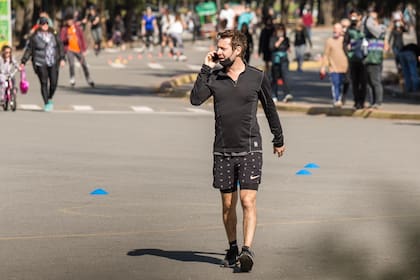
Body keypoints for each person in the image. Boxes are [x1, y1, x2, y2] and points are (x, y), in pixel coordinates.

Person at [190, 29, 285, 272]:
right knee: (227, 205)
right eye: (218, 47)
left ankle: (246, 250)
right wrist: (205, 68)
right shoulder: (214, 77)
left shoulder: (257, 77)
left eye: (223, 48)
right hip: (223, 149)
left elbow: (270, 108)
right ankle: (232, 247)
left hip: (250, 146)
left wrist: (278, 137)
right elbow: (195, 99)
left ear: (238, 50)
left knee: (247, 200)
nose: (218, 52)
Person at [20, 17, 65, 111]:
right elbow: (29, 49)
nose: (45, 26)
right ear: (39, 25)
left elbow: (60, 45)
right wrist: (23, 61)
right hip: (40, 62)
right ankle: (46, 102)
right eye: (43, 24)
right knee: (44, 82)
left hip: (53, 61)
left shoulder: (54, 33)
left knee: (54, 83)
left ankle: (49, 97)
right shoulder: (35, 36)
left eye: (46, 24)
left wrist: (62, 58)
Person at [60, 14, 95, 88]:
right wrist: (67, 38)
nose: (69, 22)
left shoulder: (77, 27)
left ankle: (88, 78)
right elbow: (61, 39)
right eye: (68, 20)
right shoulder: (64, 29)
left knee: (84, 64)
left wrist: (84, 49)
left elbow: (82, 38)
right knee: (71, 64)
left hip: (78, 49)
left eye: (71, 20)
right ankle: (72, 78)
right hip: (69, 49)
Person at [320, 23, 348, 107]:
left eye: (337, 28)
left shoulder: (345, 40)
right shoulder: (329, 41)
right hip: (334, 68)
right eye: (334, 28)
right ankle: (336, 100)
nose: (335, 30)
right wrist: (323, 67)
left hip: (345, 68)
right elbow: (326, 55)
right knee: (335, 84)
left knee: (343, 85)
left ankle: (342, 98)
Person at [344, 9, 367, 109]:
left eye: (354, 16)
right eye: (351, 16)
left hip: (364, 59)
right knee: (355, 81)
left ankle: (362, 101)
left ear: (360, 16)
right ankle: (356, 101)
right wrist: (347, 51)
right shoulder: (350, 29)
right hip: (353, 59)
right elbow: (345, 42)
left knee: (364, 81)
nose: (352, 18)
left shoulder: (365, 28)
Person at [364, 11, 388, 109]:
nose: (371, 22)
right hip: (368, 58)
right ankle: (372, 101)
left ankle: (378, 102)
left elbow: (370, 27)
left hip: (375, 59)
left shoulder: (380, 29)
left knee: (375, 81)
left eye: (373, 19)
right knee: (369, 83)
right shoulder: (368, 32)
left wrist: (369, 19)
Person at [270, 23, 293, 103]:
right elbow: (272, 47)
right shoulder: (273, 38)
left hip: (284, 59)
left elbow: (287, 47)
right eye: (279, 30)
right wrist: (279, 41)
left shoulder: (286, 39)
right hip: (275, 60)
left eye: (282, 30)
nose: (280, 32)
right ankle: (274, 94)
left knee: (285, 76)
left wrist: (288, 48)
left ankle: (287, 94)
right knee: (275, 78)